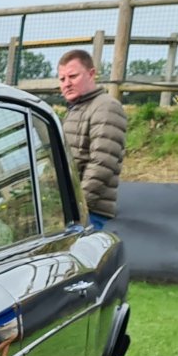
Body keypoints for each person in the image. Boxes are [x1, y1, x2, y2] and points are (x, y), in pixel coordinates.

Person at [57, 48, 127, 229]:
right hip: (73, 211)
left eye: (73, 76)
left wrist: (77, 208)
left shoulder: (106, 107)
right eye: (62, 79)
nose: (67, 84)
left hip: (90, 214)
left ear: (92, 74)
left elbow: (102, 164)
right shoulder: (75, 109)